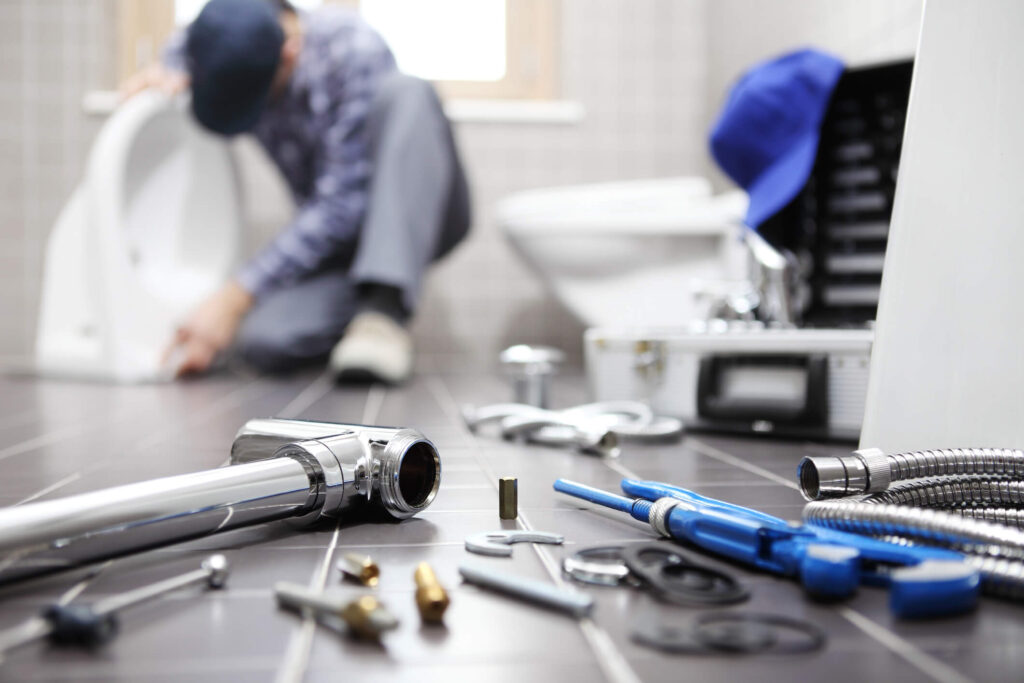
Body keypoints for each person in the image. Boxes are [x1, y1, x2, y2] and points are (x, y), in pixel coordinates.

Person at [123, 0, 470, 383]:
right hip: (340, 249)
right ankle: (361, 319)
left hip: (418, 208)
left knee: (408, 93)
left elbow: (344, 203)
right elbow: (187, 41)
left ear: (289, 52)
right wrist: (167, 68)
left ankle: (383, 313)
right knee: (264, 340)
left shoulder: (350, 47)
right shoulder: (225, 41)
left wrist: (234, 296)